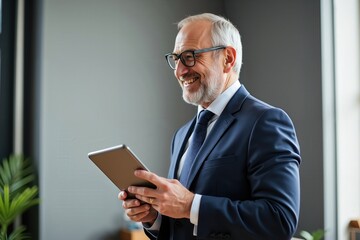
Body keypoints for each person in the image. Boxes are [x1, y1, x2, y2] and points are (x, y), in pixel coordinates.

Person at [119, 13, 301, 240]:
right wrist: (153, 218)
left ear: (228, 59)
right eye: (176, 59)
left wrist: (189, 205)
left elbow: (279, 220)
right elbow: (182, 225)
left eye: (190, 56)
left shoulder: (266, 121)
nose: (180, 70)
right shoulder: (182, 135)